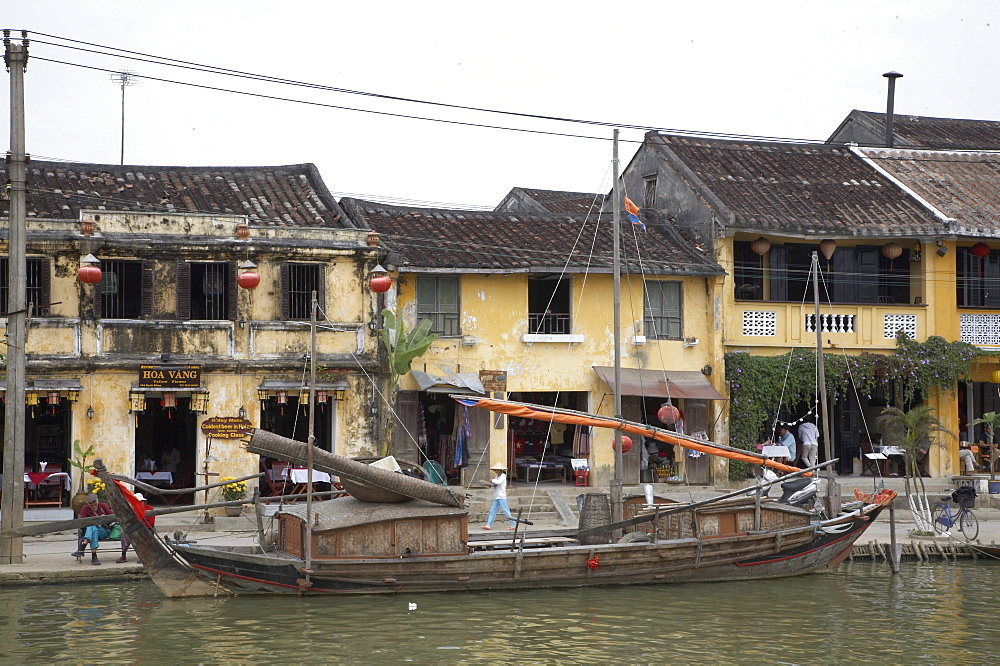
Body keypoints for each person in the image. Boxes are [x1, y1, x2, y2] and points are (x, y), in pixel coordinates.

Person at [73, 493, 113, 565]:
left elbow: (112, 518)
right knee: (93, 528)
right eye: (91, 505)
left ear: (97, 501)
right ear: (88, 504)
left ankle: (82, 548)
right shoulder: (85, 509)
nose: (94, 506)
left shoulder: (103, 506)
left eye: (95, 504)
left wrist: (105, 518)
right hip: (92, 532)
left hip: (104, 531)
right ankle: (94, 557)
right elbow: (82, 522)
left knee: (92, 527)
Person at [118, 492, 156, 563]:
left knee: (144, 535)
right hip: (133, 529)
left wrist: (137, 525)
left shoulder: (149, 509)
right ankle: (123, 555)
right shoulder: (131, 510)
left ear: (143, 501)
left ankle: (144, 555)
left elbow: (150, 523)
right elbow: (127, 521)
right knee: (124, 534)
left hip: (146, 529)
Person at [482, 463, 516, 531]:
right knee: (492, 511)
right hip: (496, 496)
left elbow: (499, 482)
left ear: (499, 470)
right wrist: (488, 483)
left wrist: (492, 481)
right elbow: (495, 484)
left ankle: (513, 524)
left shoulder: (503, 476)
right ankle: (488, 525)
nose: (495, 471)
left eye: (496, 470)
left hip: (502, 496)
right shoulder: (497, 477)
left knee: (506, 511)